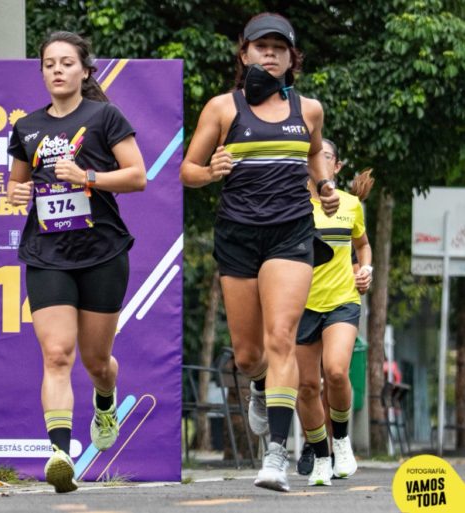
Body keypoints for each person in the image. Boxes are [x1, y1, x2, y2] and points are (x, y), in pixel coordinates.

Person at [180, 13, 339, 492]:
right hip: (238, 234)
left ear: (293, 59)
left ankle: (277, 455)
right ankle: (257, 383)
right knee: (250, 355)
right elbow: (187, 168)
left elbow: (314, 153)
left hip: (290, 234)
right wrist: (210, 171)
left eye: (279, 47)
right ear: (244, 53)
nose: (270, 53)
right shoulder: (222, 109)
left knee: (282, 337)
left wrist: (325, 184)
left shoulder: (308, 110)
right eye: (260, 46)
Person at [6, 31, 146, 493]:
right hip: (47, 253)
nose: (58, 70)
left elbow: (138, 176)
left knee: (96, 359)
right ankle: (60, 453)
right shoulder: (27, 127)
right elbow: (15, 186)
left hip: (102, 251)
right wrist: (16, 193)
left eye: (67, 63)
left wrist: (87, 175)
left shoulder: (104, 116)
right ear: (43, 72)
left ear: (84, 71)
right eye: (49, 64)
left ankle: (105, 397)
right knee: (56, 353)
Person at [294, 139, 373, 486]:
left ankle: (341, 440)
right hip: (299, 305)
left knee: (337, 372)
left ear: (336, 168)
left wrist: (365, 269)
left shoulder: (352, 205)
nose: (319, 163)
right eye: (313, 158)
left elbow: (363, 245)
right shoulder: (293, 206)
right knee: (308, 387)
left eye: (325, 157)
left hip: (342, 300)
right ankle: (321, 456)